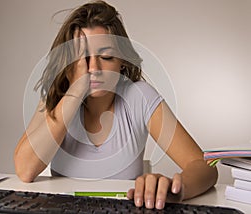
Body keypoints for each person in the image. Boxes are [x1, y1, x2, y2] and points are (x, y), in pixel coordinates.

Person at [14, 0, 218, 210]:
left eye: (106, 56)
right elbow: (25, 169)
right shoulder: (57, 96)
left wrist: (177, 188)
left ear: (121, 60)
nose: (94, 68)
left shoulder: (138, 97)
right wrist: (75, 91)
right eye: (82, 59)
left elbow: (205, 167)